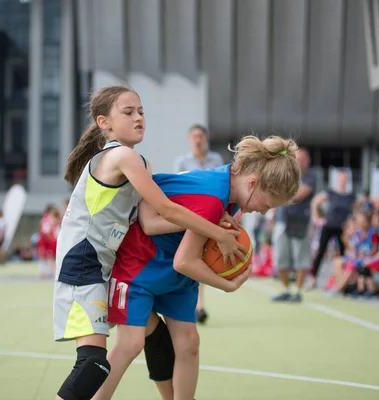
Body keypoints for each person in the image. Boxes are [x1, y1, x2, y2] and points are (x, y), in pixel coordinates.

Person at [53, 85, 245, 400]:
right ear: (105, 123)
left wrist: (212, 220)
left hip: (103, 265)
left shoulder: (140, 162)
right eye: (128, 113)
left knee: (154, 339)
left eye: (141, 111)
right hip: (83, 262)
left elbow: (152, 222)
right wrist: (216, 231)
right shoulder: (122, 156)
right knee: (93, 365)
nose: (139, 117)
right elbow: (168, 208)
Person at [96, 136, 301, 400]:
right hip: (141, 264)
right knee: (129, 344)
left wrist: (214, 232)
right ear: (253, 183)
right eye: (267, 205)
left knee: (189, 343)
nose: (263, 212)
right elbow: (185, 261)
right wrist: (228, 284)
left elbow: (189, 238)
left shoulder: (230, 186)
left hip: (173, 269)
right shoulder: (214, 198)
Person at [172, 124, 225, 325]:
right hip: (189, 215)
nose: (198, 139)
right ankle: (192, 304)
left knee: (202, 258)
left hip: (211, 216)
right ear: (189, 139)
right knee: (187, 258)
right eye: (194, 136)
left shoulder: (216, 160)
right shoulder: (181, 162)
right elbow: (177, 188)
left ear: (206, 138)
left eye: (201, 136)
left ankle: (199, 305)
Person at [271, 148, 316, 302]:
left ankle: (297, 291)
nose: (300, 161)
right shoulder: (285, 174)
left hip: (301, 221)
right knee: (281, 255)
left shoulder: (310, 177)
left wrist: (283, 194)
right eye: (298, 158)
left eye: (303, 158)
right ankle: (285, 290)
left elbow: (299, 194)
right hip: (282, 220)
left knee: (301, 256)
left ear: (308, 161)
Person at [310, 169, 356, 281]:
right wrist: (317, 218)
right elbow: (315, 202)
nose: (342, 180)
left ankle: (341, 279)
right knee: (321, 252)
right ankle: (313, 278)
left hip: (342, 229)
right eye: (341, 178)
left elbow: (355, 212)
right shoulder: (331, 193)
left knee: (343, 253)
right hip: (329, 226)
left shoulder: (350, 196)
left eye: (344, 178)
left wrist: (351, 226)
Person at [38, 204, 61, 279]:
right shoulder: (47, 218)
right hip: (47, 240)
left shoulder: (48, 218)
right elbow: (45, 230)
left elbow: (45, 230)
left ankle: (49, 272)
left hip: (50, 240)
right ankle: (47, 272)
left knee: (49, 257)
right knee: (47, 256)